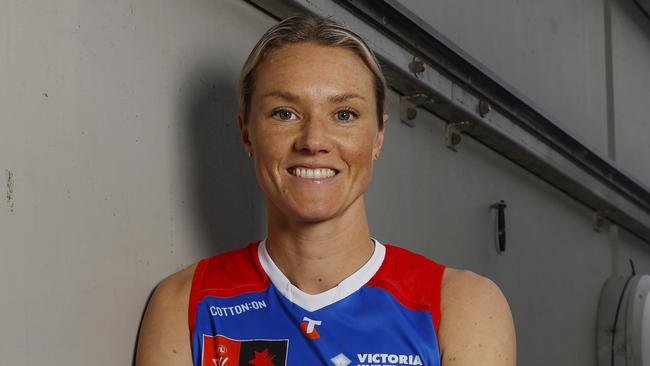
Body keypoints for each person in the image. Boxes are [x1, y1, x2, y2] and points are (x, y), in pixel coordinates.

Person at [136, 15, 516, 366]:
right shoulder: (186, 303)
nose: (314, 141)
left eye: (344, 115)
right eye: (284, 113)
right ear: (246, 133)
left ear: (379, 136)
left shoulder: (460, 305)